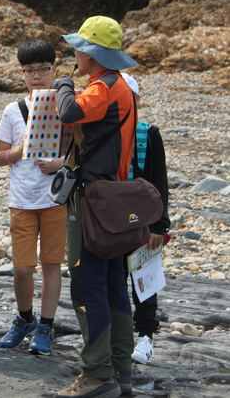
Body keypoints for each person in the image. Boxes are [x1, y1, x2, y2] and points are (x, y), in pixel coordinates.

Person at [55, 16, 138, 398]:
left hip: (91, 200)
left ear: (90, 53)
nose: (74, 54)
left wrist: (61, 84)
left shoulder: (104, 86)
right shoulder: (122, 86)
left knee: (88, 284)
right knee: (111, 283)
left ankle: (97, 373)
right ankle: (120, 366)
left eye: (79, 48)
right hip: (114, 198)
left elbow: (69, 112)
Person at [0, 40, 67, 355]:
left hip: (55, 199)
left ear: (54, 69)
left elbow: (81, 152)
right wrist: (19, 149)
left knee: (51, 264)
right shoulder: (13, 110)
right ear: (21, 72)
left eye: (43, 69)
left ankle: (46, 326)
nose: (36, 76)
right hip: (21, 199)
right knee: (22, 268)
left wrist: (59, 163)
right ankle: (25, 317)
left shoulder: (67, 106)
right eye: (30, 70)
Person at [121, 73, 170, 366]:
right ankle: (120, 334)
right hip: (112, 220)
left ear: (137, 101)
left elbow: (159, 180)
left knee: (144, 278)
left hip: (144, 220)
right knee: (113, 278)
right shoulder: (103, 133)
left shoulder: (149, 133)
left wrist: (160, 225)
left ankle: (146, 336)